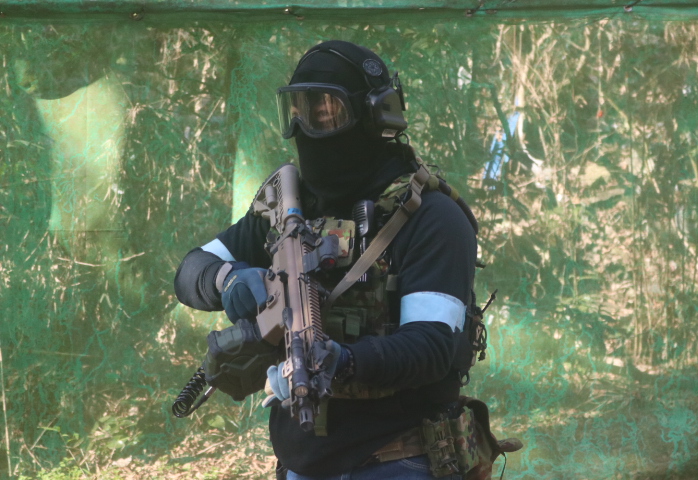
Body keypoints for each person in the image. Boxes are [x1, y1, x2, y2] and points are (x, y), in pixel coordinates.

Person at [175, 40, 514, 480]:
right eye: (297, 111)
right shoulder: (290, 209)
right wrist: (227, 279)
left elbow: (433, 346)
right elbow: (191, 269)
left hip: (401, 460)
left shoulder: (430, 216)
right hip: (301, 464)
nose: (308, 126)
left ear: (375, 115)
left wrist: (342, 361)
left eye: (326, 112)